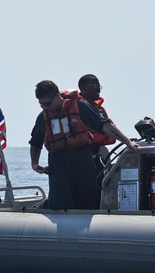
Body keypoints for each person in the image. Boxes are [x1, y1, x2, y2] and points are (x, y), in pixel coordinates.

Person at [30, 80, 139, 210]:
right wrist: (34, 163)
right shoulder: (43, 117)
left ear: (57, 96)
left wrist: (128, 142)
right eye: (41, 104)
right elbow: (36, 142)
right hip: (58, 163)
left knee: (88, 200)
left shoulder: (80, 106)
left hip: (82, 159)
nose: (45, 107)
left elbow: (104, 125)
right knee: (58, 203)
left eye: (47, 103)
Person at [77, 73, 116, 178]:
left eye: (99, 86)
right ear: (83, 88)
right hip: (82, 156)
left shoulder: (99, 109)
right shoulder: (77, 108)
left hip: (98, 152)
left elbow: (109, 127)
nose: (98, 89)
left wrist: (128, 143)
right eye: (94, 85)